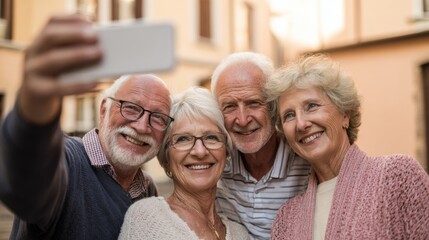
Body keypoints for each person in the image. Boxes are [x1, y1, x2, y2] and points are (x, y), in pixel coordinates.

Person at [0, 14, 173, 239]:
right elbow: (25, 184)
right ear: (104, 110)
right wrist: (35, 106)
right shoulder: (67, 162)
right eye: (130, 108)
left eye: (158, 117)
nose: (142, 126)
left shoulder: (146, 190)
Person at [265, 54, 429, 239]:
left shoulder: (398, 176)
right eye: (289, 115)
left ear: (345, 114)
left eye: (311, 106)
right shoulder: (286, 219)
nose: (301, 124)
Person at [118, 86, 249, 240]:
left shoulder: (240, 234)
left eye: (211, 137)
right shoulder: (146, 219)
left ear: (226, 151)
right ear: (166, 159)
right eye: (183, 139)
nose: (200, 152)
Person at [210, 51, 311, 239]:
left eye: (254, 103)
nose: (242, 119)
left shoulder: (308, 162)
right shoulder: (215, 164)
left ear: (274, 105)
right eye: (230, 106)